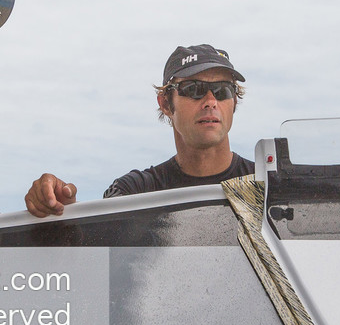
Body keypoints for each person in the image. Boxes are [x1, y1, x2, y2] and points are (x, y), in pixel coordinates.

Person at [24, 44, 253, 217]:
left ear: (234, 101)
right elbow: (98, 249)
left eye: (223, 90)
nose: (211, 102)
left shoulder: (266, 186)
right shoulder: (135, 191)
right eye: (194, 89)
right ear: (165, 104)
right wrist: (61, 211)